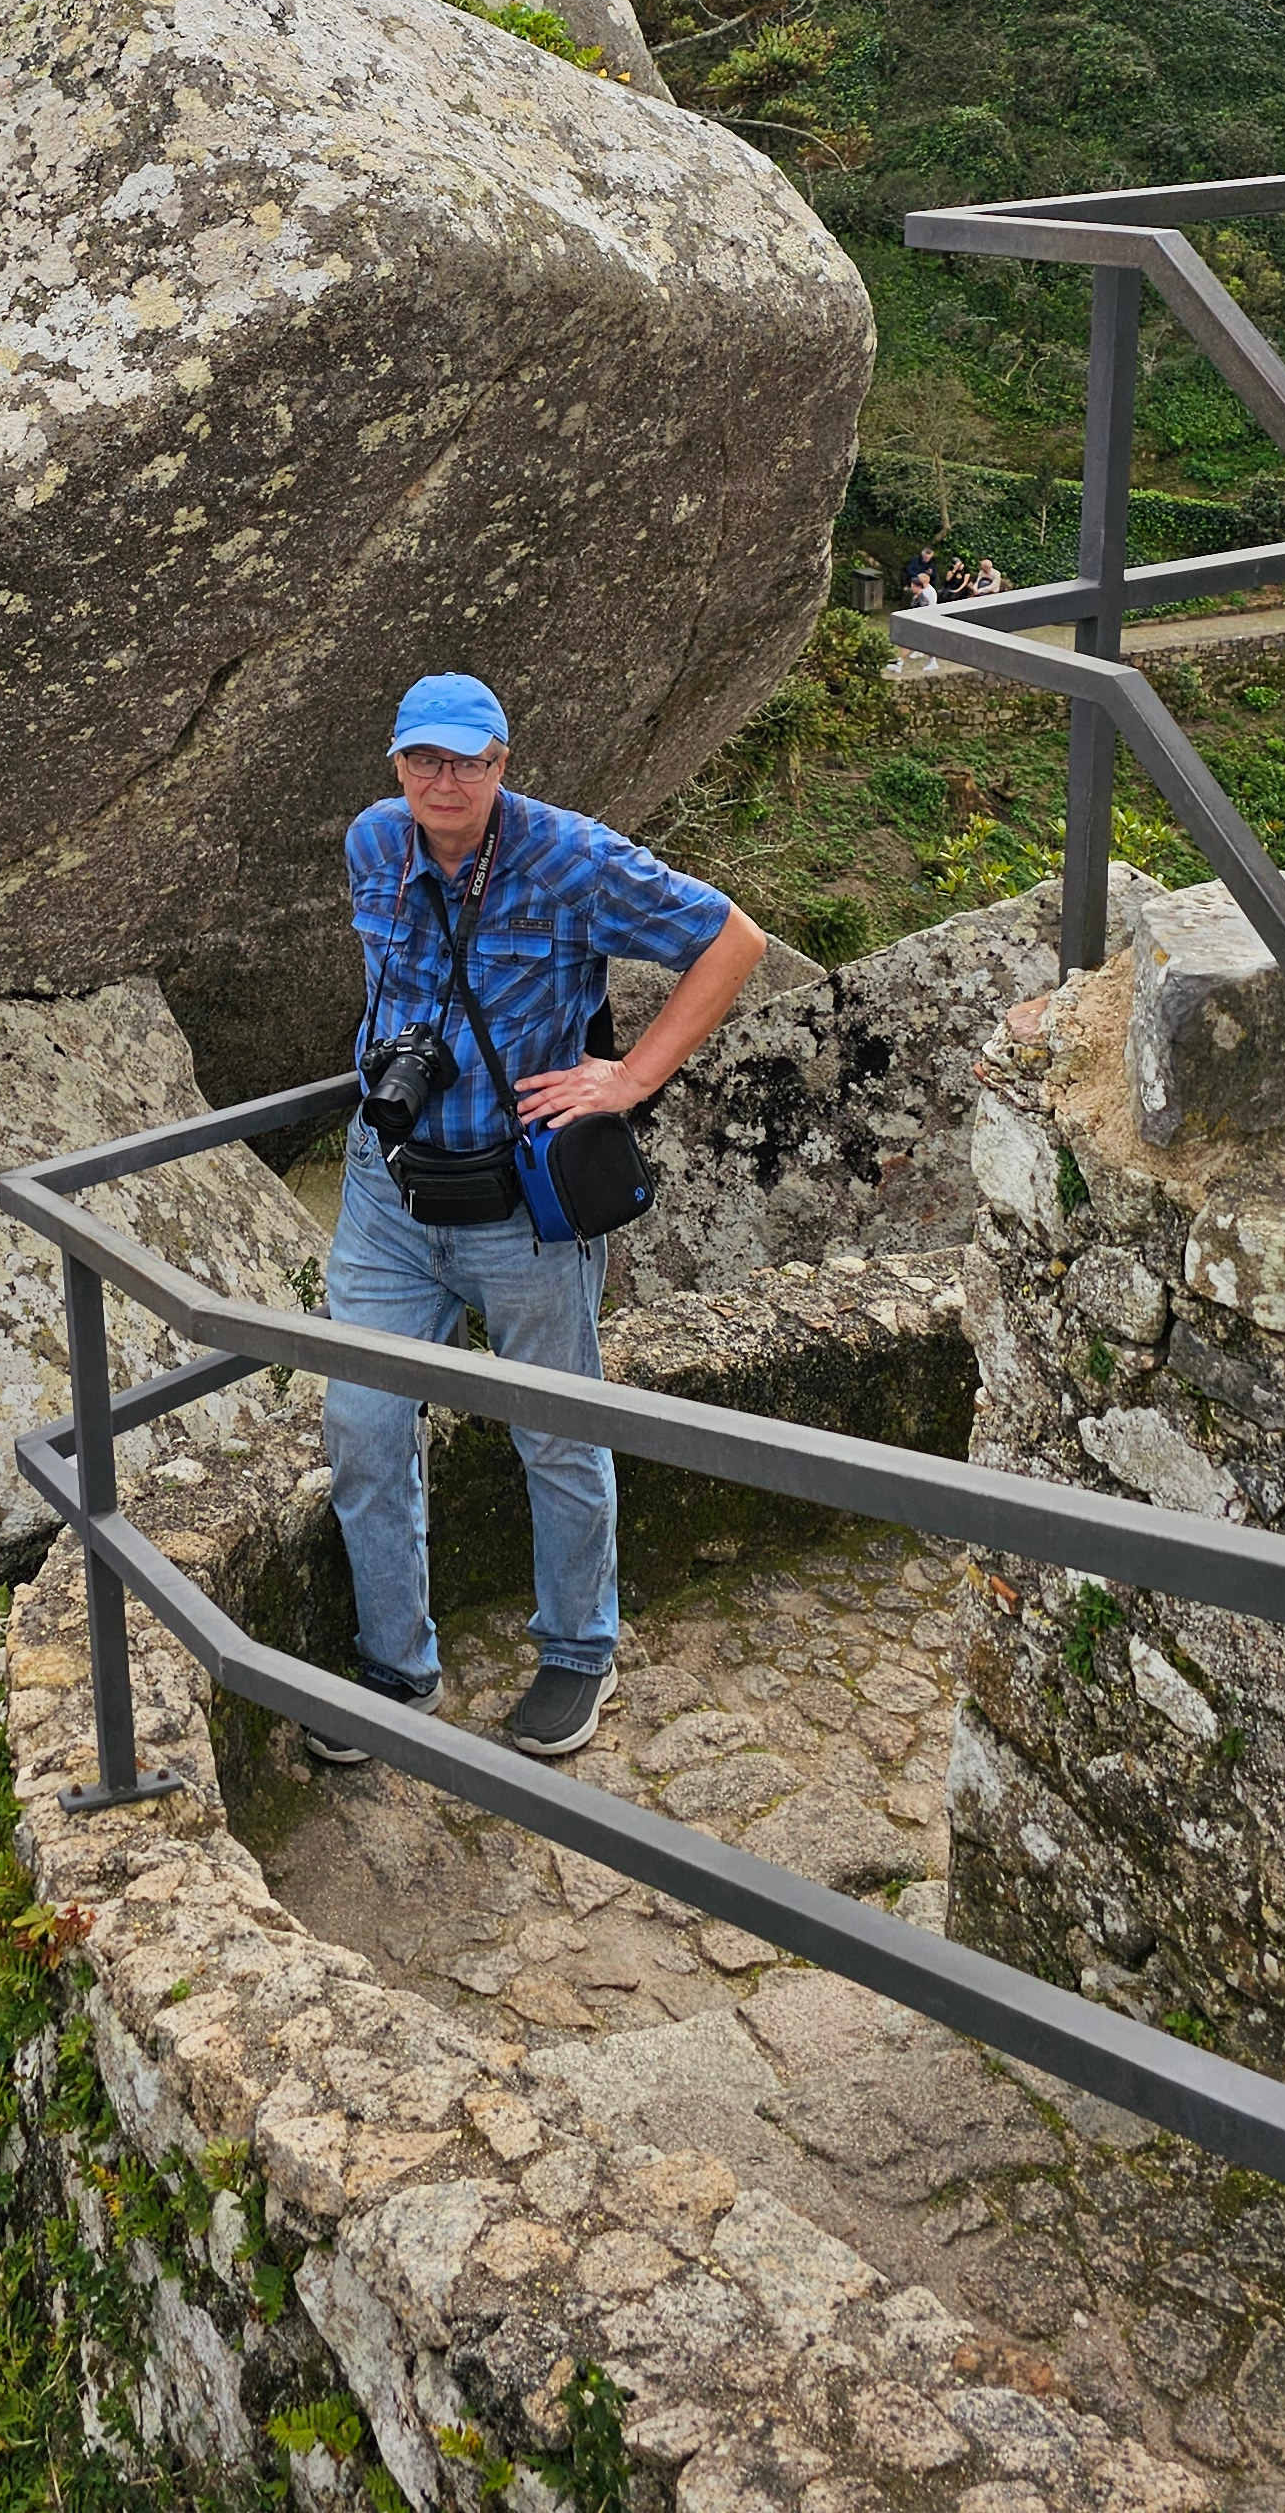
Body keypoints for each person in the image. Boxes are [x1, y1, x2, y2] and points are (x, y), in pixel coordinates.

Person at [313, 673, 764, 1766]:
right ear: (396, 767)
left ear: (504, 764)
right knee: (363, 1430)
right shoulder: (374, 843)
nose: (444, 780)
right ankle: (393, 1666)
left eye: (468, 760)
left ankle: (576, 1650)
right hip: (387, 1193)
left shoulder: (568, 857)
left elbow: (734, 940)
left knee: (556, 1434)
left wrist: (628, 1080)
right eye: (424, 759)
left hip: (520, 1204)